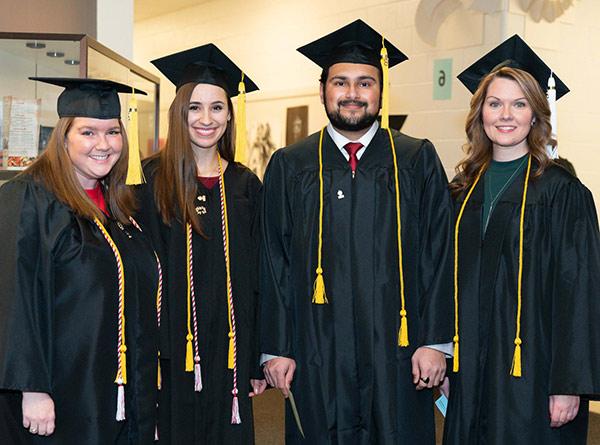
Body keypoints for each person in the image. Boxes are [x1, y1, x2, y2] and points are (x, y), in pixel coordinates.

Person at [259, 19, 454, 444]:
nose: (352, 93)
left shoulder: (415, 159)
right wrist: (276, 347)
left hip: (399, 350)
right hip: (316, 349)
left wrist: (436, 342)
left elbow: (439, 254)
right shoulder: (291, 164)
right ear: (323, 89)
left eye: (365, 83)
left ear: (380, 92)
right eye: (341, 82)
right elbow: (273, 259)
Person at [443, 35, 600, 445]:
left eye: (519, 104)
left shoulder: (562, 192)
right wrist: (445, 357)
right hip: (471, 368)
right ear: (480, 114)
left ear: (536, 114)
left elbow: (580, 292)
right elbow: (442, 280)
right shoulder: (460, 192)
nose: (506, 115)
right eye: (495, 104)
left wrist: (569, 383)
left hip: (537, 372)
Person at [0, 78, 160, 444]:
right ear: (63, 136)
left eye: (113, 132)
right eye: (88, 132)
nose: (103, 145)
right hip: (62, 390)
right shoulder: (29, 199)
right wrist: (32, 388)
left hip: (117, 388)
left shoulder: (121, 207)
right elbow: (14, 297)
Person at [138, 44, 266, 444]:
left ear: (230, 115)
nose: (206, 119)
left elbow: (263, 277)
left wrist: (257, 358)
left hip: (230, 350)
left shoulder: (247, 186)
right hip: (166, 352)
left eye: (216, 107)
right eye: (194, 107)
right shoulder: (149, 181)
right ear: (180, 112)